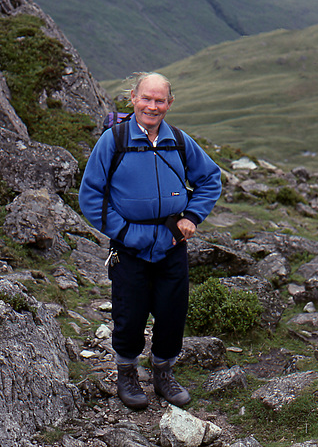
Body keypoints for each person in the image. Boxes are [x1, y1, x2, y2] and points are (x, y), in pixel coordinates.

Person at [78, 72, 221, 410]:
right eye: (146, 98)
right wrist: (126, 233)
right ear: (133, 98)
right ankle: (127, 373)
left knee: (172, 314)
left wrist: (191, 217)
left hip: (172, 245)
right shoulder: (114, 141)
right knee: (130, 314)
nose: (152, 106)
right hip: (129, 247)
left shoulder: (180, 141)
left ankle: (163, 373)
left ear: (169, 104)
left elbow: (210, 179)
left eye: (160, 101)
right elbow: (91, 195)